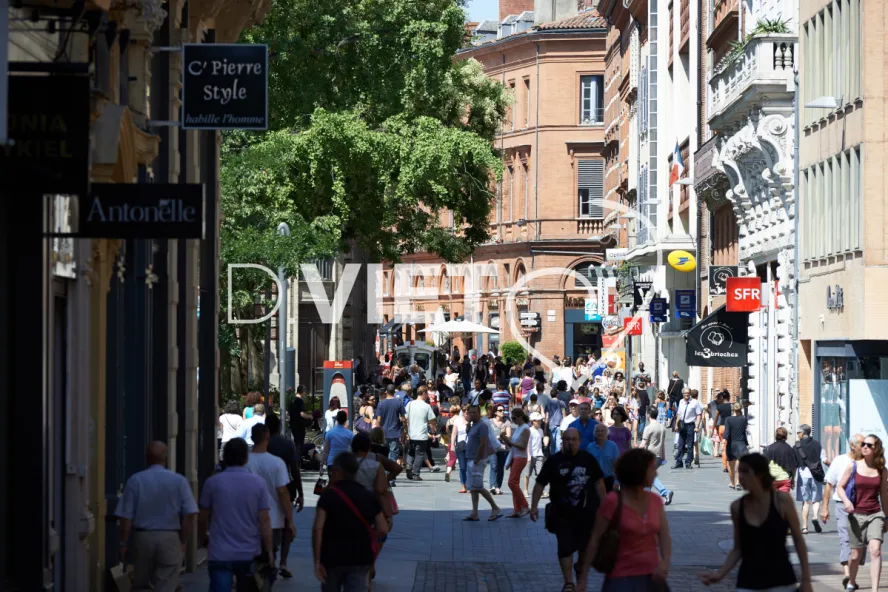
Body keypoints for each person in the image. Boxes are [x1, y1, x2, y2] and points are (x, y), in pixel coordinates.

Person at [699, 453, 812, 592]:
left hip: (781, 580)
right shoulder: (737, 507)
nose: (740, 477)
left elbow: (798, 540)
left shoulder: (782, 501)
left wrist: (806, 579)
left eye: (745, 472)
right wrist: (720, 573)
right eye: (739, 471)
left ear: (760, 474)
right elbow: (738, 548)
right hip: (747, 582)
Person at [578, 448, 672, 592]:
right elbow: (595, 540)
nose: (656, 473)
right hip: (620, 578)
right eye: (652, 469)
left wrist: (665, 562)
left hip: (652, 577)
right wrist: (583, 578)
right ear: (639, 471)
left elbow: (664, 535)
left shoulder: (655, 501)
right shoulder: (613, 501)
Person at [529, 428, 606, 592]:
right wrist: (534, 506)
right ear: (562, 441)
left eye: (573, 439)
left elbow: (599, 482)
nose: (570, 442)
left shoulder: (588, 459)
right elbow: (540, 483)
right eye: (567, 439)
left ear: (579, 441)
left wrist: (605, 505)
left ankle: (580, 570)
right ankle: (569, 582)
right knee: (565, 546)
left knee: (585, 549)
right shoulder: (554, 461)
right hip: (561, 513)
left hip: (586, 513)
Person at [115, 442, 198, 592]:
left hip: (142, 537)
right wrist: (184, 541)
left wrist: (123, 543)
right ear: (165, 459)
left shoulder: (135, 480)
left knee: (141, 584)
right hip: (169, 536)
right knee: (167, 583)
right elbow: (190, 513)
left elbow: (126, 517)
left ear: (147, 458)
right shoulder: (179, 481)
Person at [199, 438, 275, 592]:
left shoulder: (212, 483)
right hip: (248, 552)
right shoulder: (258, 483)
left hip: (219, 551)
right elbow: (264, 520)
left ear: (224, 457)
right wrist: (269, 550)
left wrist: (203, 537)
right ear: (245, 458)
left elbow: (202, 516)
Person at [312, 452, 389, 592]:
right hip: (360, 556)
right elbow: (383, 528)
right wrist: (366, 535)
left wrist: (317, 561)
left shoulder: (328, 496)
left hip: (332, 557)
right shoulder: (368, 495)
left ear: (338, 471)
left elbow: (318, 528)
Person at [837, 434, 888, 592]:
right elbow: (840, 487)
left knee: (875, 550)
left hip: (875, 514)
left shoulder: (881, 469)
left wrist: (886, 517)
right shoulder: (853, 466)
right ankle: (851, 581)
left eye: (869, 445)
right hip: (856, 514)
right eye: (863, 444)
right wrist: (846, 501)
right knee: (855, 555)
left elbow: (884, 494)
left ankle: (875, 590)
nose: (864, 446)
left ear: (876, 449)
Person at [246, 423, 296, 576]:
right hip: (273, 520)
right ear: (267, 436)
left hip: (246, 519)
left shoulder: (244, 461)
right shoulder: (276, 463)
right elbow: (282, 492)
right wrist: (290, 519)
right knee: (267, 559)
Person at [820, 434, 865, 589]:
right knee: (845, 539)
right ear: (853, 446)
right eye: (862, 444)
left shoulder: (867, 461)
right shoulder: (840, 461)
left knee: (861, 543)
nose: (865, 447)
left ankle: (852, 574)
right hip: (842, 506)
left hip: (862, 506)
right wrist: (824, 507)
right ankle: (847, 574)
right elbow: (829, 484)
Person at [264, 413, 304, 579]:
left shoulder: (262, 444)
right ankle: (283, 562)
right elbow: (294, 469)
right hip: (285, 486)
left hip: (264, 487)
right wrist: (301, 493)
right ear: (279, 427)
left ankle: (268, 556)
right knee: (287, 523)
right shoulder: (286, 444)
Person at [795, 423, 827, 534]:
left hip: (803, 474)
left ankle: (804, 527)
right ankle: (815, 517)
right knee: (816, 499)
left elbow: (794, 463)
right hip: (816, 474)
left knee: (806, 501)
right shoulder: (817, 444)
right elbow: (824, 459)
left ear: (803, 433)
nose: (797, 434)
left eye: (798, 432)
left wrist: (791, 477)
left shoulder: (797, 446)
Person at [502, 408, 531, 517]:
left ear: (520, 417)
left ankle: (524, 505)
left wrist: (510, 442)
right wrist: (505, 440)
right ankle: (517, 509)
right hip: (515, 457)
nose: (513, 420)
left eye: (514, 418)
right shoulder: (519, 428)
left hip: (520, 458)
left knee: (512, 483)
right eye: (512, 418)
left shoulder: (525, 429)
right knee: (515, 483)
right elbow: (513, 445)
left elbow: (523, 446)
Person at [641, 408, 673, 505]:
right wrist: (663, 457)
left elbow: (643, 443)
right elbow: (662, 444)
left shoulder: (648, 428)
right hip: (658, 455)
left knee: (649, 476)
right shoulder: (662, 427)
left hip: (649, 455)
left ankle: (665, 492)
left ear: (648, 415)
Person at [405, 386, 436, 481]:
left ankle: (408, 465)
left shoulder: (410, 404)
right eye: (426, 394)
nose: (427, 396)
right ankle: (415, 474)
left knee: (411, 452)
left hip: (411, 433)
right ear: (423, 393)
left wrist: (406, 432)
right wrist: (433, 433)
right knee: (419, 454)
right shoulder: (426, 406)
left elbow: (405, 418)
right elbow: (431, 421)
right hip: (421, 435)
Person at [374, 384, 405, 465]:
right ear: (394, 392)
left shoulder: (381, 404)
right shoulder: (399, 403)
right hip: (395, 432)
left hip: (384, 432)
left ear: (386, 392)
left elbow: (379, 419)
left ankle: (386, 473)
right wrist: (406, 430)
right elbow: (403, 419)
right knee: (393, 454)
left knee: (384, 453)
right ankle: (390, 473)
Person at [673, 389, 702, 469]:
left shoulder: (695, 402)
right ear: (682, 394)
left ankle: (688, 462)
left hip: (690, 425)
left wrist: (697, 426)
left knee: (690, 445)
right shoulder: (681, 401)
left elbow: (699, 414)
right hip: (682, 425)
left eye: (688, 393)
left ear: (690, 394)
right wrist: (676, 425)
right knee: (680, 445)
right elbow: (679, 414)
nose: (687, 394)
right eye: (685, 393)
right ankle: (679, 462)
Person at [764, 427, 800, 493]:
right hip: (784, 479)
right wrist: (793, 479)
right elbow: (794, 466)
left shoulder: (769, 448)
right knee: (783, 501)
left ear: (776, 436)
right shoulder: (789, 449)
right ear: (786, 436)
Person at [724, 402, 750, 490]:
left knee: (731, 465)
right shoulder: (743, 419)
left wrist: (723, 441)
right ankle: (738, 482)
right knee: (740, 465)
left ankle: (732, 482)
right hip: (742, 444)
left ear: (733, 409)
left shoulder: (728, 419)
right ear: (741, 409)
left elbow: (726, 433)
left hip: (732, 445)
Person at [588, 423, 620, 492]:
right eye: (597, 431)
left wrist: (617, 481)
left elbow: (617, 465)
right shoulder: (590, 447)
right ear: (594, 433)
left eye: (602, 431)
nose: (600, 432)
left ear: (606, 433)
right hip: (595, 481)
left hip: (609, 480)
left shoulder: (613, 446)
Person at [488, 403, 511, 495]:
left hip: (503, 448)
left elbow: (509, 436)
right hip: (492, 448)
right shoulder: (490, 422)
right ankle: (492, 486)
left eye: (503, 410)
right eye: (500, 410)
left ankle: (498, 486)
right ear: (495, 412)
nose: (503, 412)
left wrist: (502, 436)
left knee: (500, 468)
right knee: (494, 466)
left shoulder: (506, 422)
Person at [525, 412, 548, 497]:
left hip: (539, 454)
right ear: (533, 421)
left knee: (540, 474)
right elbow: (527, 443)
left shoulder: (541, 430)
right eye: (538, 421)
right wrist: (528, 455)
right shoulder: (529, 430)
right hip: (531, 454)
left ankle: (541, 491)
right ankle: (526, 490)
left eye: (540, 421)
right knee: (527, 474)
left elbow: (542, 441)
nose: (539, 422)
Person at [712, 392, 732, 472]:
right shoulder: (732, 406)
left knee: (724, 446)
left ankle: (725, 466)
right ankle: (730, 464)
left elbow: (716, 418)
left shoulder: (719, 407)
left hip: (722, 427)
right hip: (730, 426)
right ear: (729, 397)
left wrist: (713, 428)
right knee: (730, 446)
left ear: (722, 398)